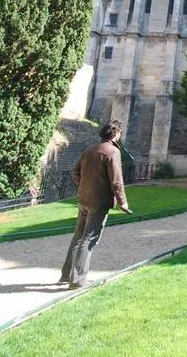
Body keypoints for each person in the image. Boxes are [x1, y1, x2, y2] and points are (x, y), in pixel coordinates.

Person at [60, 120, 130, 289]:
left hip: (83, 198)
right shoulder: (112, 151)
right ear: (115, 134)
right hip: (99, 201)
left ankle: (66, 274)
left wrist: (84, 186)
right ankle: (77, 280)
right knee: (89, 239)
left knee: (78, 236)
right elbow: (116, 181)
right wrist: (123, 202)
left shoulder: (91, 148)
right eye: (119, 133)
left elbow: (75, 171)